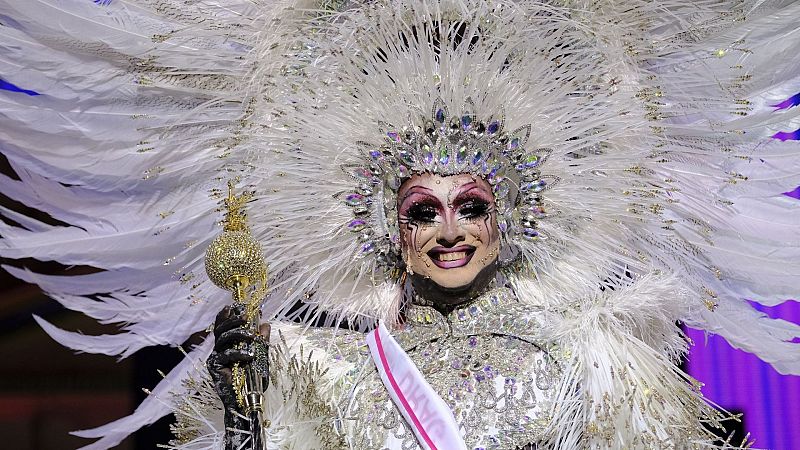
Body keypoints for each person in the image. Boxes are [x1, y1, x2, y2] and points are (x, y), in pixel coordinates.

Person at [0, 0, 798, 449]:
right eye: (424, 210)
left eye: (472, 206)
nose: (450, 230)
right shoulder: (315, 365)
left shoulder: (597, 353)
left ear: (509, 220)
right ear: (391, 227)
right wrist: (242, 417)